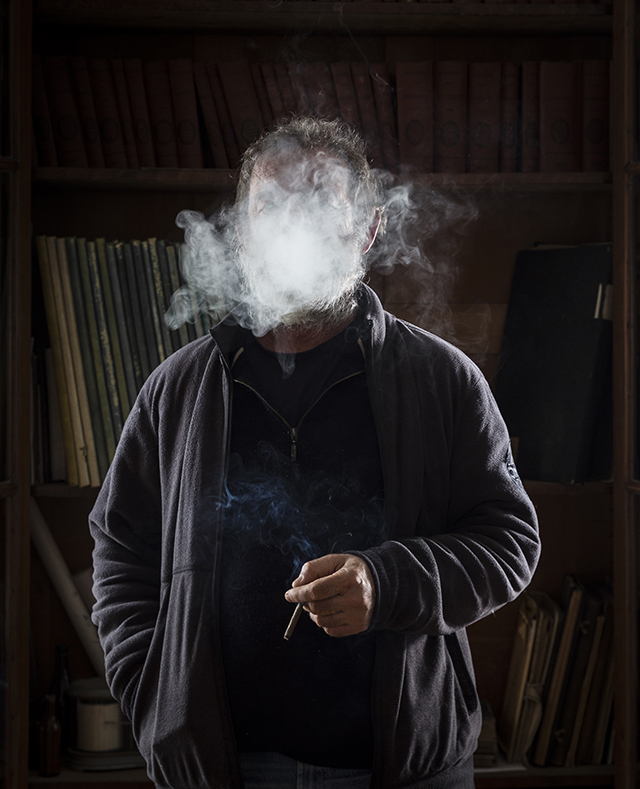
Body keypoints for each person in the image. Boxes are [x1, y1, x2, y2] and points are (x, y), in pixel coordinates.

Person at [89, 117, 540, 789]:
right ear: (241, 235)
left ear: (367, 230)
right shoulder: (177, 389)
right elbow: (119, 547)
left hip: (398, 770)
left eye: (319, 205)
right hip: (218, 771)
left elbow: (510, 542)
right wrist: (151, 690)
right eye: (273, 209)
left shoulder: (441, 380)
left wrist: (385, 582)